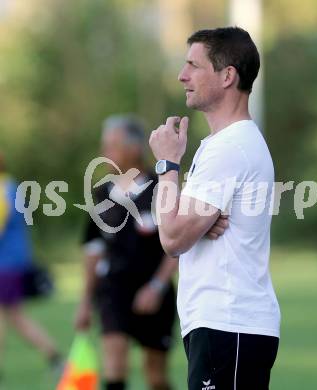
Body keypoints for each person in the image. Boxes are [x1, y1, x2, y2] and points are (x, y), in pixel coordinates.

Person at [149, 27, 281, 389]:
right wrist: (197, 221)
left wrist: (167, 165)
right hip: (222, 326)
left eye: (193, 64)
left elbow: (173, 237)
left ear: (227, 76)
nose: (182, 75)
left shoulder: (230, 147)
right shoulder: (224, 144)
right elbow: (182, 227)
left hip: (229, 323)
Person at [74, 115, 178, 390]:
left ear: (134, 148)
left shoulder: (161, 189)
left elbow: (178, 245)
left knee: (156, 376)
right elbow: (93, 250)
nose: (105, 153)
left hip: (153, 292)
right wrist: (85, 301)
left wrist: (156, 286)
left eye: (113, 146)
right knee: (114, 365)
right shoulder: (100, 195)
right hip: (113, 290)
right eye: (104, 146)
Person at [0, 153, 63, 381]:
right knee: (15, 316)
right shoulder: (11, 186)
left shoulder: (2, 191)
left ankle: (55, 357)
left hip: (5, 264)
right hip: (13, 262)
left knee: (10, 316)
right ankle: (55, 356)